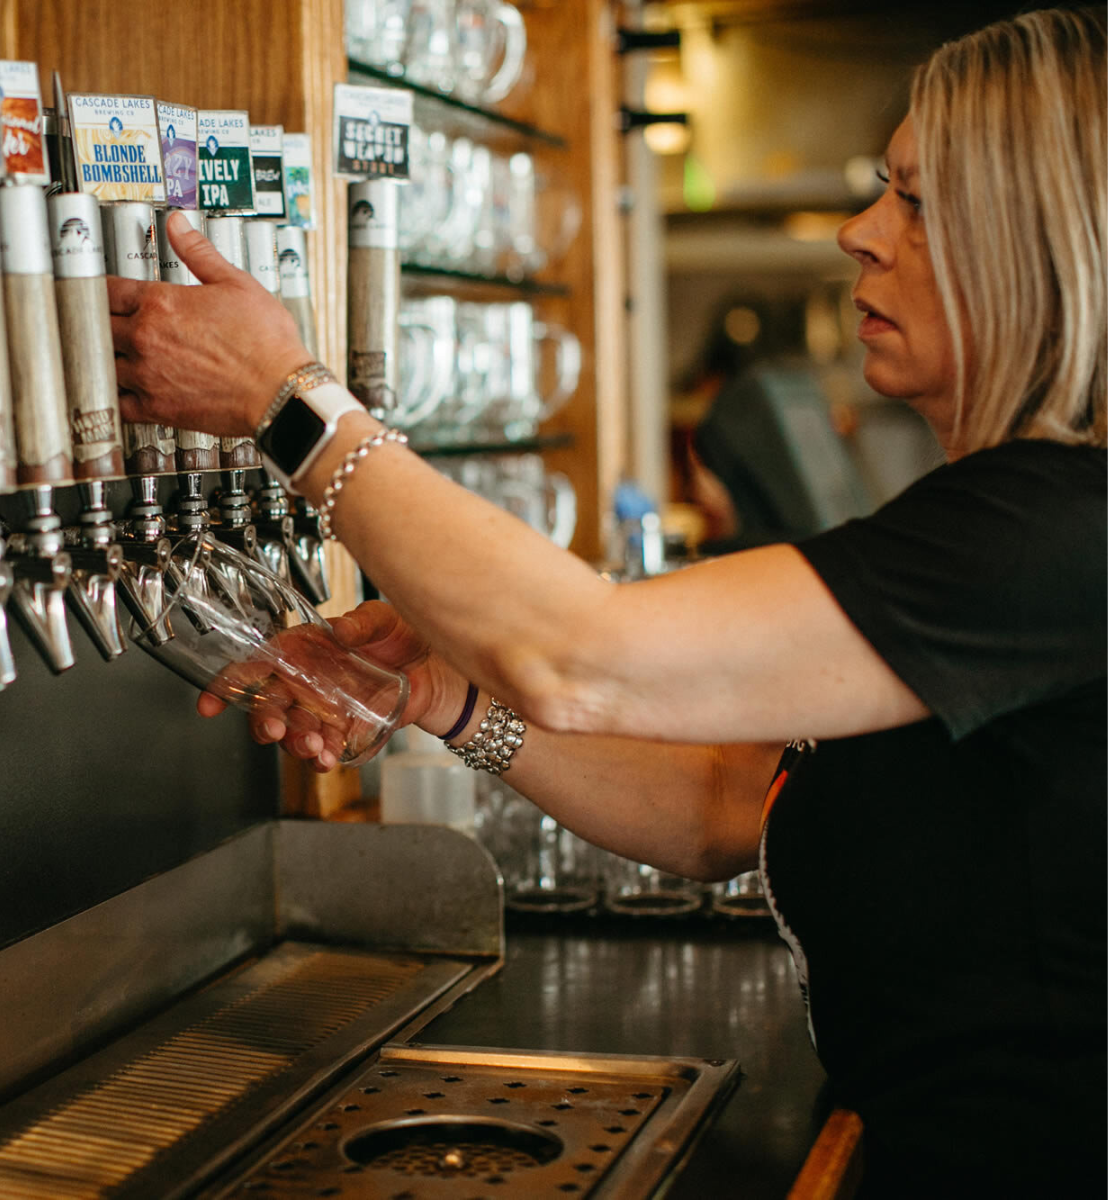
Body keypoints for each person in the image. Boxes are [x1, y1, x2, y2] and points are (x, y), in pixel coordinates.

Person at [106, 8, 1104, 1193]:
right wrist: (452, 693)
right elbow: (726, 796)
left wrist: (288, 401)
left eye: (917, 202)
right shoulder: (1010, 521)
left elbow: (587, 653)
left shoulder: (1057, 533)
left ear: (1037, 242)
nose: (858, 234)